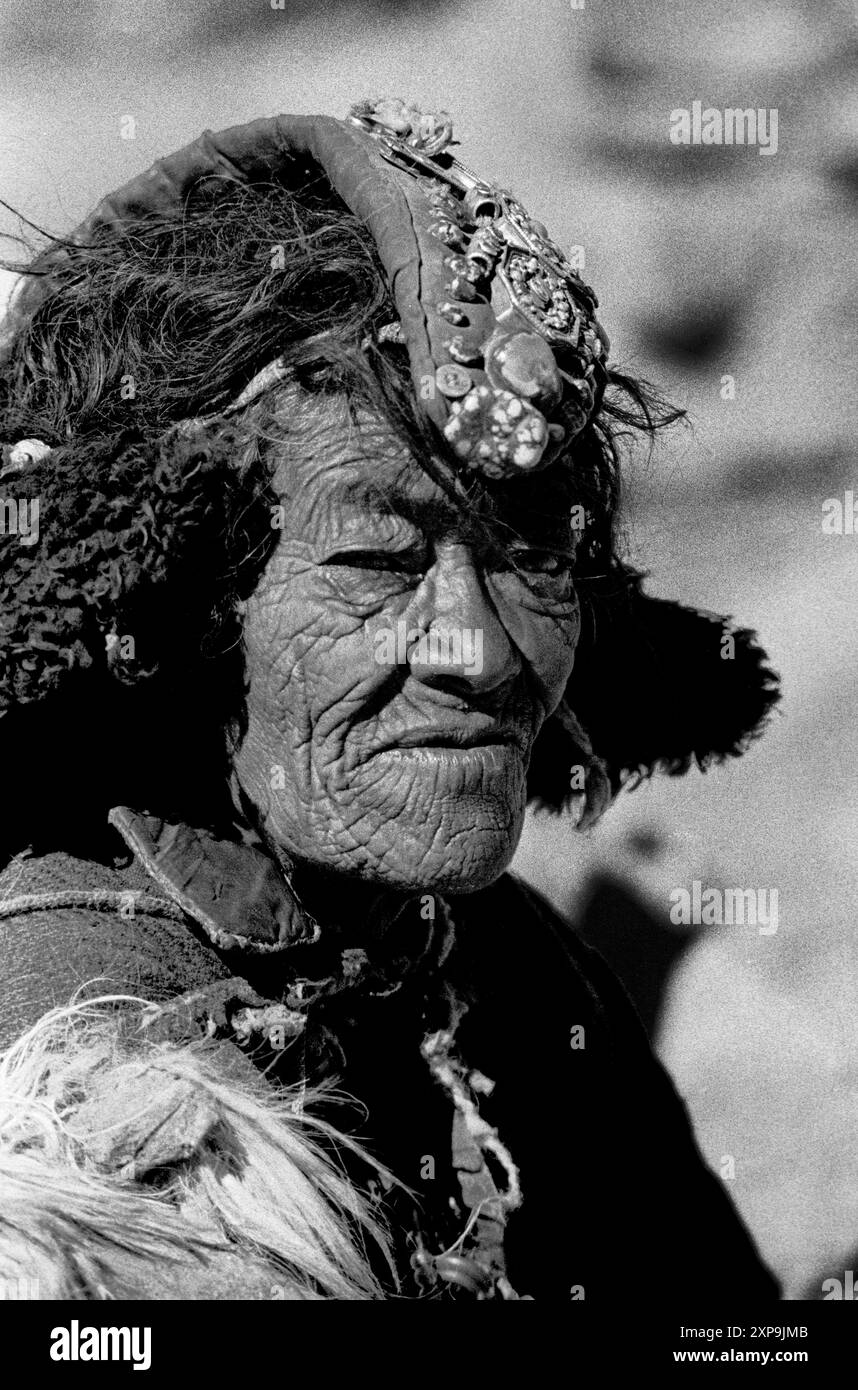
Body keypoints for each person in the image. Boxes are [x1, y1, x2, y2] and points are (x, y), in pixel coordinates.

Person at [0, 97, 780, 1300]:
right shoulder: (89, 1073)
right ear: (183, 617)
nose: (476, 645)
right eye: (374, 563)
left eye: (526, 553)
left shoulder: (493, 954)